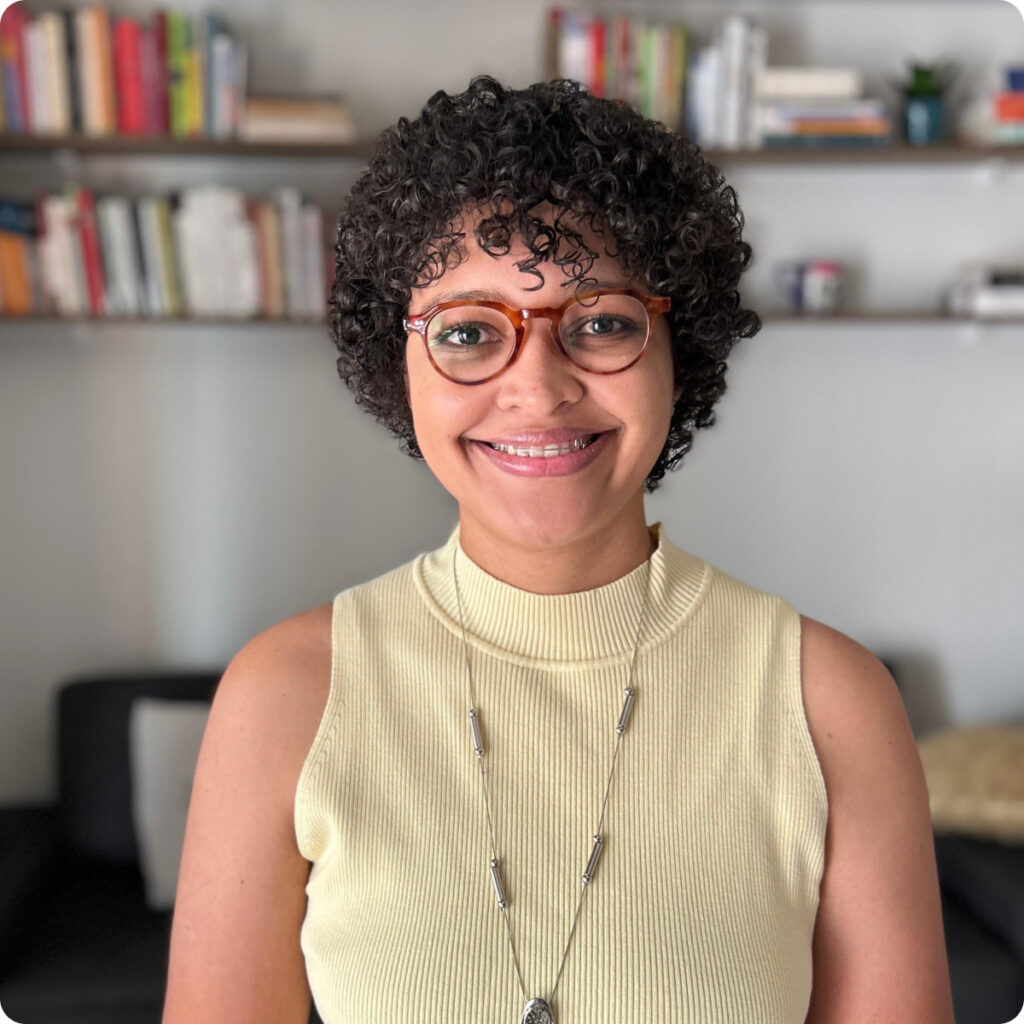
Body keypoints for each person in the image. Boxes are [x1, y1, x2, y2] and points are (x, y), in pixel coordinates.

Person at [161, 76, 955, 1024]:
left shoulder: (831, 703)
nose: (537, 390)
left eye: (603, 323)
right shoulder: (286, 696)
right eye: (467, 332)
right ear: (398, 370)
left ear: (680, 355)